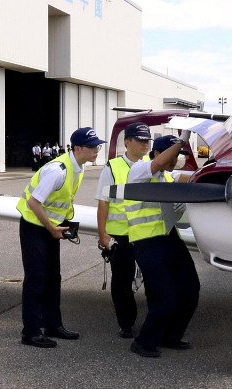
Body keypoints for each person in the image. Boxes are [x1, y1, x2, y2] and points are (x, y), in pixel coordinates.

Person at [16, 127, 106, 348]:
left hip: (51, 228)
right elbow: (33, 203)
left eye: (97, 146)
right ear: (77, 148)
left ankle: (53, 325)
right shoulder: (58, 170)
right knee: (36, 279)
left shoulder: (79, 167)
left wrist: (63, 226)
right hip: (35, 227)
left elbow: (61, 202)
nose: (97, 150)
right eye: (92, 147)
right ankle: (31, 332)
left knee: (53, 278)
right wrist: (51, 227)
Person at [126, 132, 200, 358]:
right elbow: (158, 164)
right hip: (147, 240)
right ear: (157, 153)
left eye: (180, 155)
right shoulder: (139, 170)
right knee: (165, 296)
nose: (177, 159)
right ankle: (144, 342)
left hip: (169, 237)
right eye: (175, 154)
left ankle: (171, 336)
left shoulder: (169, 176)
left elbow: (196, 176)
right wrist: (181, 140)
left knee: (190, 289)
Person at [95, 122, 152, 339]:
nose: (145, 144)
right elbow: (103, 202)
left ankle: (153, 323)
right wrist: (103, 235)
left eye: (147, 141)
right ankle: (126, 323)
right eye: (140, 140)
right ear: (127, 142)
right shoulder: (113, 168)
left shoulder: (151, 165)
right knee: (122, 282)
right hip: (121, 235)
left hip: (146, 234)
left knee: (153, 279)